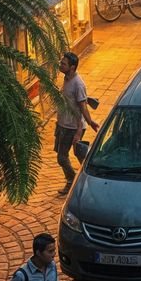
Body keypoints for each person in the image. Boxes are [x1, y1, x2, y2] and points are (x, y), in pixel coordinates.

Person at [52, 51, 98, 192]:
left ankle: (75, 180)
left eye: (63, 63)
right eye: (61, 62)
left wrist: (83, 127)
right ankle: (84, 178)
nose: (60, 65)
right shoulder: (67, 78)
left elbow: (82, 106)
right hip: (63, 124)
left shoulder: (78, 84)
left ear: (72, 67)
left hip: (72, 126)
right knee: (70, 154)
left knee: (63, 157)